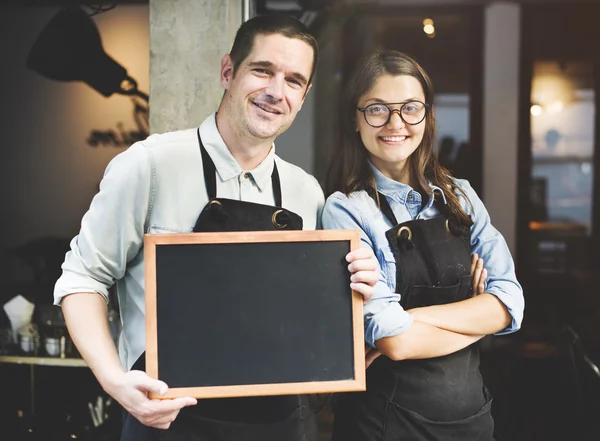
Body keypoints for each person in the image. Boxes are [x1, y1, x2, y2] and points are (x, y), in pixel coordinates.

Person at [53, 15, 379, 441]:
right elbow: (82, 277)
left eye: (294, 80)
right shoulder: (149, 166)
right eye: (262, 70)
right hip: (168, 417)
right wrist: (115, 381)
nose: (275, 91)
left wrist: (355, 288)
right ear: (228, 71)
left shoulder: (307, 191)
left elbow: (309, 317)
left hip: (281, 422)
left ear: (304, 96)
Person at [322, 50, 525, 441]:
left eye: (410, 108)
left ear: (427, 116)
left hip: (472, 420)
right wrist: (477, 320)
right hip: (384, 423)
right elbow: (393, 340)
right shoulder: (346, 210)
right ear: (356, 118)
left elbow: (510, 303)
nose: (395, 123)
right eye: (378, 109)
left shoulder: (461, 197)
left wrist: (413, 317)